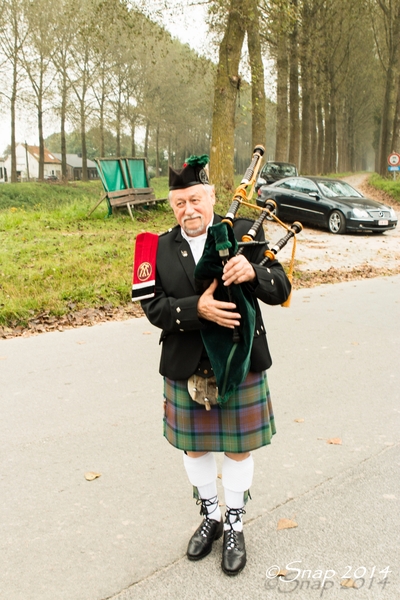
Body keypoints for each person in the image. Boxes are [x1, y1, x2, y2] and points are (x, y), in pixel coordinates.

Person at [140, 156, 291, 576]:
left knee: (237, 450)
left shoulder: (244, 234)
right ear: (172, 207)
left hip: (240, 363)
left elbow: (281, 288)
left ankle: (235, 524)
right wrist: (197, 309)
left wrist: (255, 272)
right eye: (178, 203)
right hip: (186, 364)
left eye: (195, 199)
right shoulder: (155, 248)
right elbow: (152, 307)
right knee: (195, 447)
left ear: (211, 197)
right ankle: (211, 516)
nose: (188, 210)